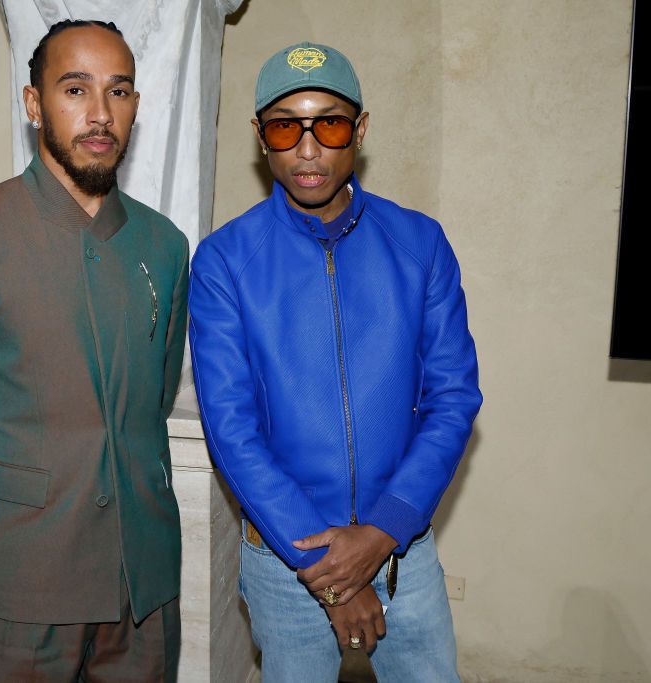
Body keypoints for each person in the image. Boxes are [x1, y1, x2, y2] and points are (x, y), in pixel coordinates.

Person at [0, 20, 188, 682]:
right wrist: (15, 501)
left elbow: (155, 395)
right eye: (75, 89)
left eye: (118, 92)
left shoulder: (165, 246)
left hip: (144, 586)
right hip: (23, 589)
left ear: (135, 107)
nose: (99, 113)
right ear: (33, 105)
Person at [189, 41, 482, 682]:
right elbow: (232, 430)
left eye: (329, 123)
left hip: (403, 551)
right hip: (286, 563)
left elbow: (453, 398)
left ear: (361, 129)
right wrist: (337, 577)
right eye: (285, 126)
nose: (308, 147)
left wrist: (381, 533)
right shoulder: (223, 262)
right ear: (261, 139)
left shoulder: (420, 243)